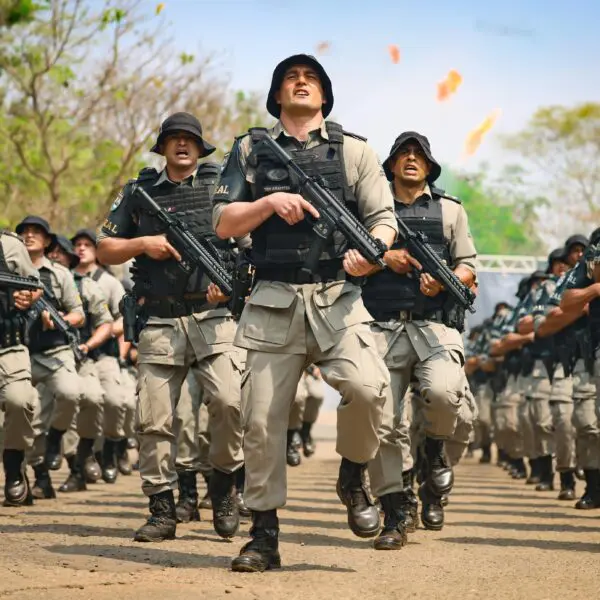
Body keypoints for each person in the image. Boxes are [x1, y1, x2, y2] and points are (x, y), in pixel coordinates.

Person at [213, 54, 396, 572]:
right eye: (290, 77)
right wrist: (269, 203)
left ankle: (353, 473)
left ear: (324, 95)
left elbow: (383, 219)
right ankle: (264, 535)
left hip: (338, 297)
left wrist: (372, 251)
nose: (300, 82)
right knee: (261, 420)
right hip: (272, 300)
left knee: (367, 389)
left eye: (310, 77)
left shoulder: (355, 151)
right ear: (276, 95)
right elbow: (224, 222)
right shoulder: (250, 149)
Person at [96, 112, 245, 543]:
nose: (182, 145)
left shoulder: (222, 187)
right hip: (160, 318)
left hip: (213, 317)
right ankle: (162, 508)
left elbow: (247, 247)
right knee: (154, 419)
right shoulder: (140, 192)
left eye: (189, 139)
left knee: (229, 403)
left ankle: (222, 488)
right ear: (162, 148)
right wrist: (143, 244)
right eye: (174, 139)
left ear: (200, 148)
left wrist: (231, 287)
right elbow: (105, 247)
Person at [362, 131, 477, 545]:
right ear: (391, 164)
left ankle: (432, 456)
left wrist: (445, 283)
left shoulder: (449, 211)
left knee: (446, 396)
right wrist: (381, 260)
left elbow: (467, 267)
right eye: (403, 154)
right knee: (383, 422)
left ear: (429, 166)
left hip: (435, 327)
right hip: (380, 327)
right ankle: (397, 509)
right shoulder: (371, 210)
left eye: (419, 155)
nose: (411, 159)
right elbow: (349, 264)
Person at [16, 216, 84, 499]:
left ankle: (56, 439)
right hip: (20, 353)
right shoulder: (7, 269)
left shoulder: (60, 274)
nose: (29, 236)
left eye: (36, 232)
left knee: (71, 393)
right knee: (25, 419)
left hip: (56, 351)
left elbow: (78, 314)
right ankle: (35, 474)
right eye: (25, 232)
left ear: (47, 241)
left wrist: (60, 321)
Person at [46, 235, 113, 492]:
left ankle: (83, 457)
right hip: (42, 357)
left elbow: (106, 323)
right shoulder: (34, 282)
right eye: (51, 252)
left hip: (79, 357)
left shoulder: (86, 286)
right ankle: (38, 475)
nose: (55, 256)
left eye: (61, 253)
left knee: (93, 398)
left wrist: (87, 346)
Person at [71, 228, 131, 482]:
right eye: (78, 245)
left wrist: (106, 332)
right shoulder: (67, 278)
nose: (82, 248)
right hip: (76, 355)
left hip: (105, 354)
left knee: (116, 402)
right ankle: (82, 462)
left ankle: (111, 450)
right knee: (82, 404)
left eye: (87, 244)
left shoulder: (109, 282)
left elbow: (125, 319)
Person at [0, 229, 42, 506]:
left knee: (19, 401)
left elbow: (35, 286)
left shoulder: (8, 245)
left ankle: (15, 466)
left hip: (8, 346)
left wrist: (28, 296)